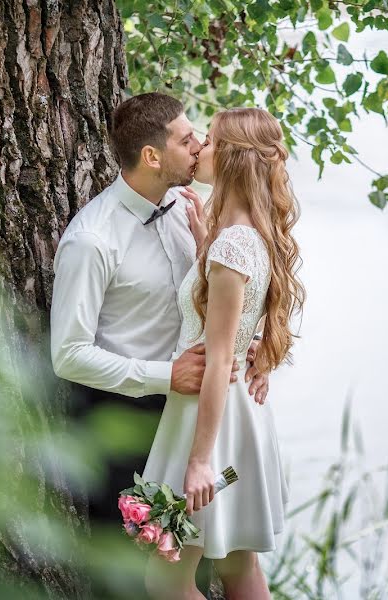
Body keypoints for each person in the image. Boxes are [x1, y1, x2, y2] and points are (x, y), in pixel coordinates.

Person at [49, 93, 269, 597]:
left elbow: (226, 295)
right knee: (138, 577)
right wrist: (165, 376)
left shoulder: (188, 210)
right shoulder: (92, 240)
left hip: (197, 416)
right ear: (152, 156)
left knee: (217, 561)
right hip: (126, 421)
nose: (200, 147)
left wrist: (251, 344)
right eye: (187, 139)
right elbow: (67, 354)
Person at [142, 108, 305, 600]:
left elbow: (216, 359)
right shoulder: (249, 237)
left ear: (232, 158)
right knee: (238, 567)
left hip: (209, 429)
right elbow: (236, 324)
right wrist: (203, 248)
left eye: (208, 141)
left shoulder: (233, 247)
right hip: (239, 423)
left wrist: (198, 462)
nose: (198, 149)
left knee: (166, 581)